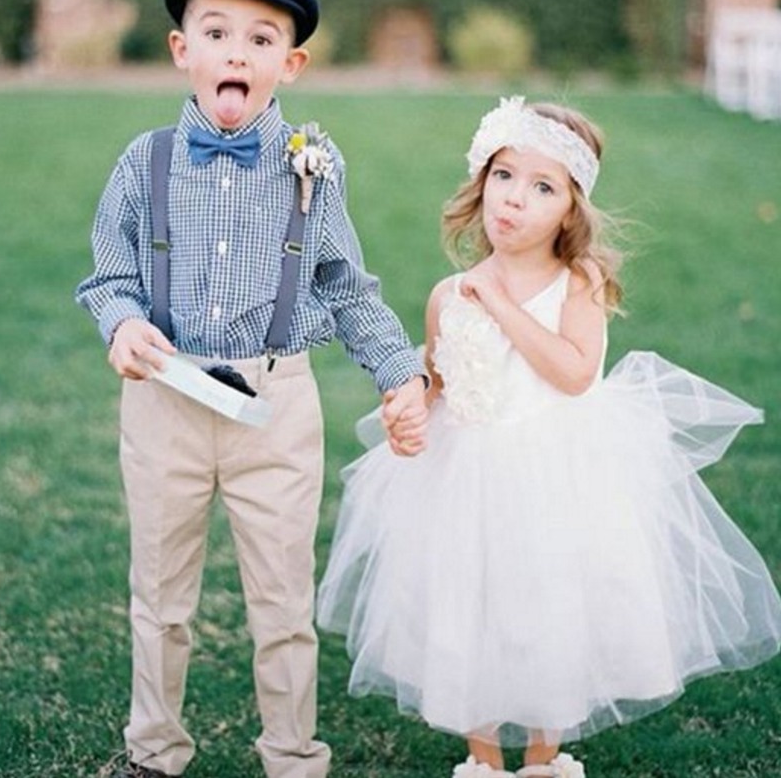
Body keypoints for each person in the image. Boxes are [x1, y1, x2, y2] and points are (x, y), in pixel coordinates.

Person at [316, 96, 781, 778]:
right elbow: (438, 377)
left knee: (550, 612)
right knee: (467, 609)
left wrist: (500, 302)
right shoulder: (449, 294)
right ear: (481, 183)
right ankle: (483, 760)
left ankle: (541, 757)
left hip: (555, 472)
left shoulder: (579, 282)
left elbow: (572, 372)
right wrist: (407, 405)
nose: (514, 200)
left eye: (542, 188)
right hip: (464, 475)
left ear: (571, 209)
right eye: (504, 177)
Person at [75, 0, 427, 778]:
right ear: (180, 50)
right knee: (159, 598)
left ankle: (293, 756)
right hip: (166, 399)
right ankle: (153, 752)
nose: (237, 53)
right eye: (217, 33)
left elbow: (346, 286)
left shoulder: (313, 167)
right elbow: (109, 274)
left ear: (289, 64)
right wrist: (121, 323)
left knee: (282, 601)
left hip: (278, 405)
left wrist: (398, 371)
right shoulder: (145, 161)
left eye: (260, 38)